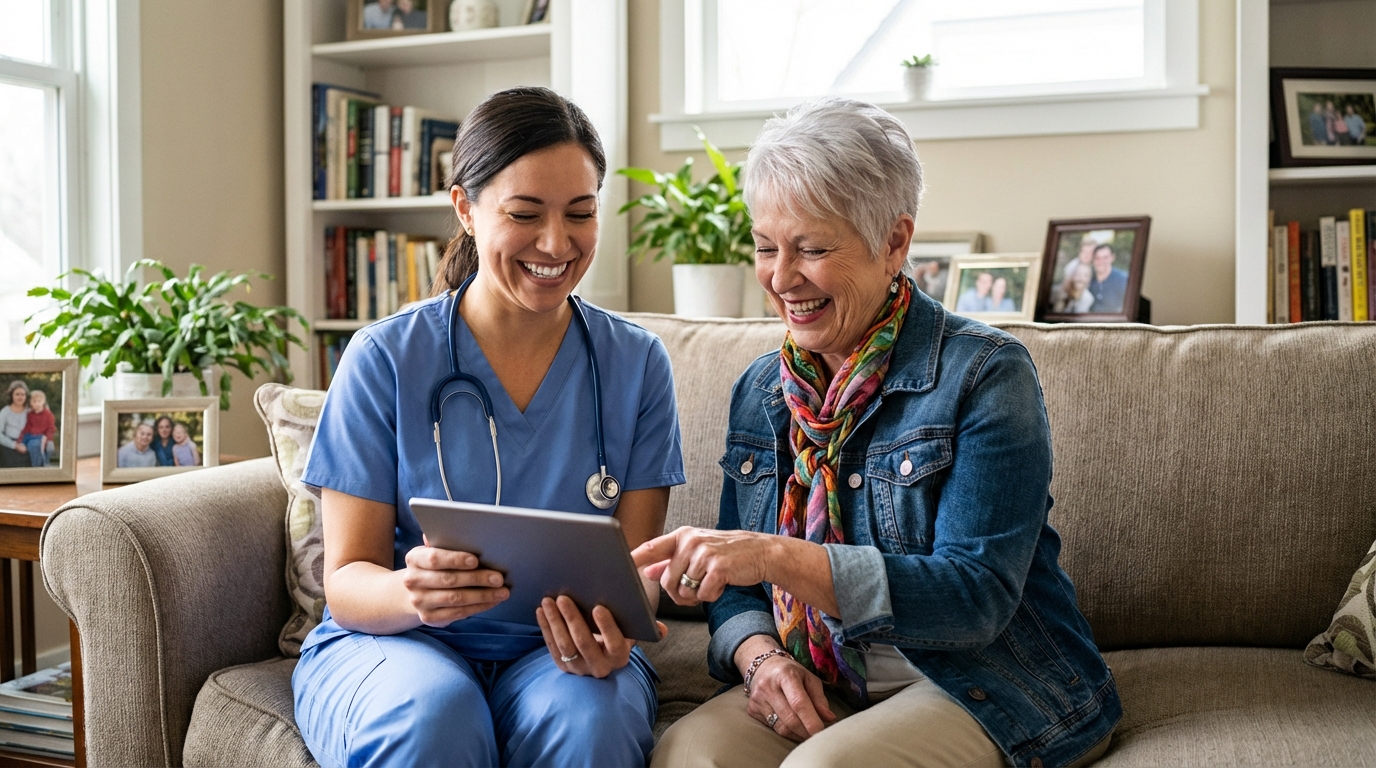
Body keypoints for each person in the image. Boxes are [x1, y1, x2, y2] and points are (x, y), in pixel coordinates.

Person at [638, 97, 1120, 768]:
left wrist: (776, 557)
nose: (781, 279)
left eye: (811, 249)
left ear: (894, 241)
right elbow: (740, 598)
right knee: (687, 755)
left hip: (976, 679)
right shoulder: (761, 389)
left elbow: (974, 597)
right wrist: (761, 660)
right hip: (824, 672)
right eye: (765, 247)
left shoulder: (985, 374)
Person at [293, 87, 686, 768]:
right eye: (525, 214)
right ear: (465, 210)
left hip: (556, 653)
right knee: (432, 717)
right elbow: (350, 582)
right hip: (399, 643)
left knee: (593, 723)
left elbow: (637, 570)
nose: (557, 244)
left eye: (581, 214)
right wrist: (410, 593)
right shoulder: (385, 357)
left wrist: (618, 629)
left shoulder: (636, 365)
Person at [1088, 243, 1130, 313]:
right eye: (1097, 258)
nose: (1101, 262)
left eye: (1105, 258)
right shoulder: (1088, 279)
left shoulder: (1122, 280)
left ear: (1112, 258)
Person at [19, 389, 55, 468]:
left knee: (33, 445)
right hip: (31, 435)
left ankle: (38, 466)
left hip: (42, 436)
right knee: (27, 441)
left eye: (39, 401)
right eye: (34, 402)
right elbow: (27, 428)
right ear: (31, 403)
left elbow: (51, 428)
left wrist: (49, 439)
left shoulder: (48, 415)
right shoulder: (30, 414)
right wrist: (21, 440)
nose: (37, 404)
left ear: (43, 401)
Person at [0, 381, 30, 469]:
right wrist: (14, 445)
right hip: (9, 446)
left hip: (27, 444)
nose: (20, 397)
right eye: (17, 394)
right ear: (11, 395)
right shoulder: (5, 412)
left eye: (23, 394)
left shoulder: (30, 411)